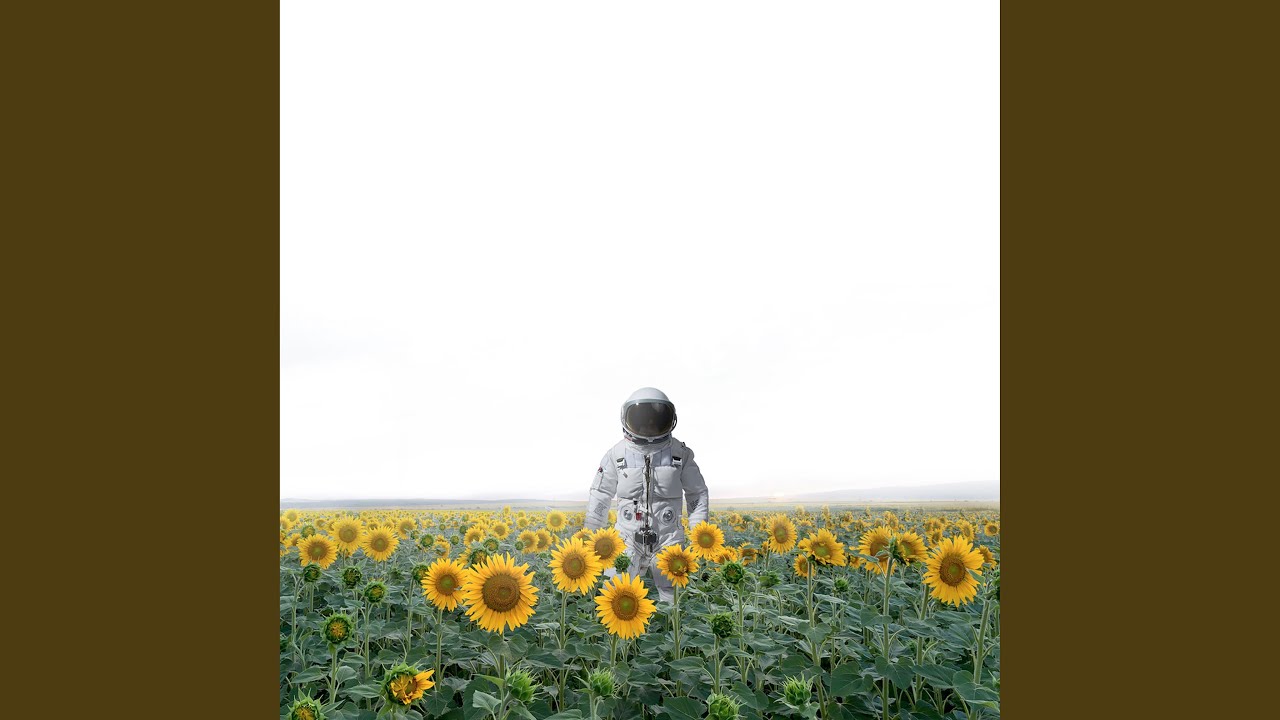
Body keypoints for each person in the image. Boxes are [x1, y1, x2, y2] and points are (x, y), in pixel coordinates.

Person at [584, 387, 709, 602]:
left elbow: (696, 493)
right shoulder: (617, 454)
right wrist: (590, 535)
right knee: (613, 594)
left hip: (668, 538)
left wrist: (700, 534)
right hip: (626, 539)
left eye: (655, 420)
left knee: (673, 599)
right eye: (642, 420)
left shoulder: (680, 454)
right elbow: (601, 494)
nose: (649, 427)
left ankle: (669, 622)